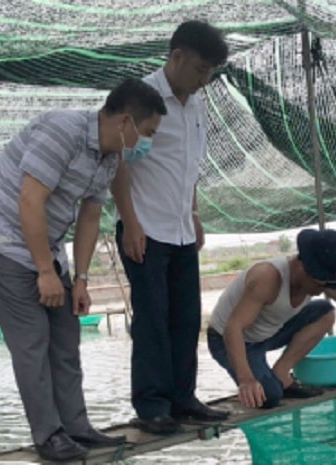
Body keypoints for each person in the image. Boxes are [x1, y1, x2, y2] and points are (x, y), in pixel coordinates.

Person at [0, 79, 166, 461]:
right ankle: (49, 435)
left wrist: (81, 279)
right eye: (148, 132)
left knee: (66, 334)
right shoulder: (63, 131)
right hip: (1, 244)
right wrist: (44, 271)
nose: (147, 143)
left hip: (48, 251)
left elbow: (89, 218)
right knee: (32, 341)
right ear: (126, 122)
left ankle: (75, 426)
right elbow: (29, 200)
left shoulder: (108, 158)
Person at [110, 20, 229, 435]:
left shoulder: (196, 106)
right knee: (152, 318)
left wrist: (194, 215)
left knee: (184, 317)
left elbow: (189, 167)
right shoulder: (142, 98)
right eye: (199, 70)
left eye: (210, 73)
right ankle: (152, 405)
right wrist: (130, 223)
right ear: (176, 57)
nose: (203, 80)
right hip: (145, 228)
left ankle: (183, 399)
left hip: (180, 228)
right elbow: (118, 163)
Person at [207, 228, 336, 409]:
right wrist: (246, 380)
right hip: (231, 339)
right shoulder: (267, 277)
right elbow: (233, 327)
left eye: (328, 284)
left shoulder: (320, 282)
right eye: (318, 283)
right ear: (301, 265)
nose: (321, 290)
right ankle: (270, 381)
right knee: (269, 397)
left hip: (270, 332)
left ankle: (281, 372)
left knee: (325, 311)